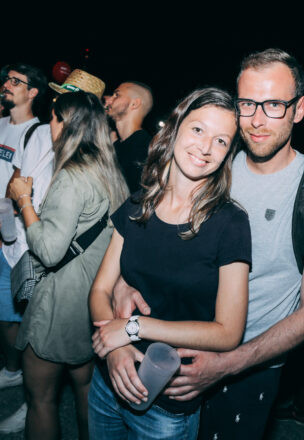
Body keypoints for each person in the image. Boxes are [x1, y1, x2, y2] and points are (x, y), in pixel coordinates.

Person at [112, 48, 304, 439]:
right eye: (247, 103)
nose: (256, 119)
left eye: (274, 105)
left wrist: (228, 364)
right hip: (169, 341)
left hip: (248, 367)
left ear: (299, 108)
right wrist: (125, 279)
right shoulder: (215, 160)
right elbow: (158, 232)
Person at [88, 87, 251, 440]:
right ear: (175, 128)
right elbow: (100, 289)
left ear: (228, 153)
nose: (206, 148)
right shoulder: (139, 203)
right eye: (198, 130)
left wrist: (134, 328)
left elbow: (228, 332)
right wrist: (117, 348)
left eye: (221, 141)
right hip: (107, 381)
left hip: (167, 402)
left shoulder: (230, 223)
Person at [8, 91, 128, 440]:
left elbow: (48, 250)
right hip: (94, 301)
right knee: (86, 389)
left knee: (40, 399)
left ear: (66, 125)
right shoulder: (110, 171)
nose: (50, 124)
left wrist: (24, 200)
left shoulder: (73, 175)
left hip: (60, 302)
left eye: (54, 118)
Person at [0, 63, 46, 429]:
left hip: (18, 239)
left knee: (26, 319)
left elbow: (22, 190)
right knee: (5, 314)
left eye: (17, 81)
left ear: (33, 92)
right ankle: (13, 369)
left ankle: (34, 396)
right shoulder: (2, 124)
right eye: (7, 78)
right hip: (4, 236)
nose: (7, 84)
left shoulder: (39, 133)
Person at [105, 81, 153, 193]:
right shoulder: (117, 144)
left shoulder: (144, 151)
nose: (109, 99)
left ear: (134, 104)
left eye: (117, 95)